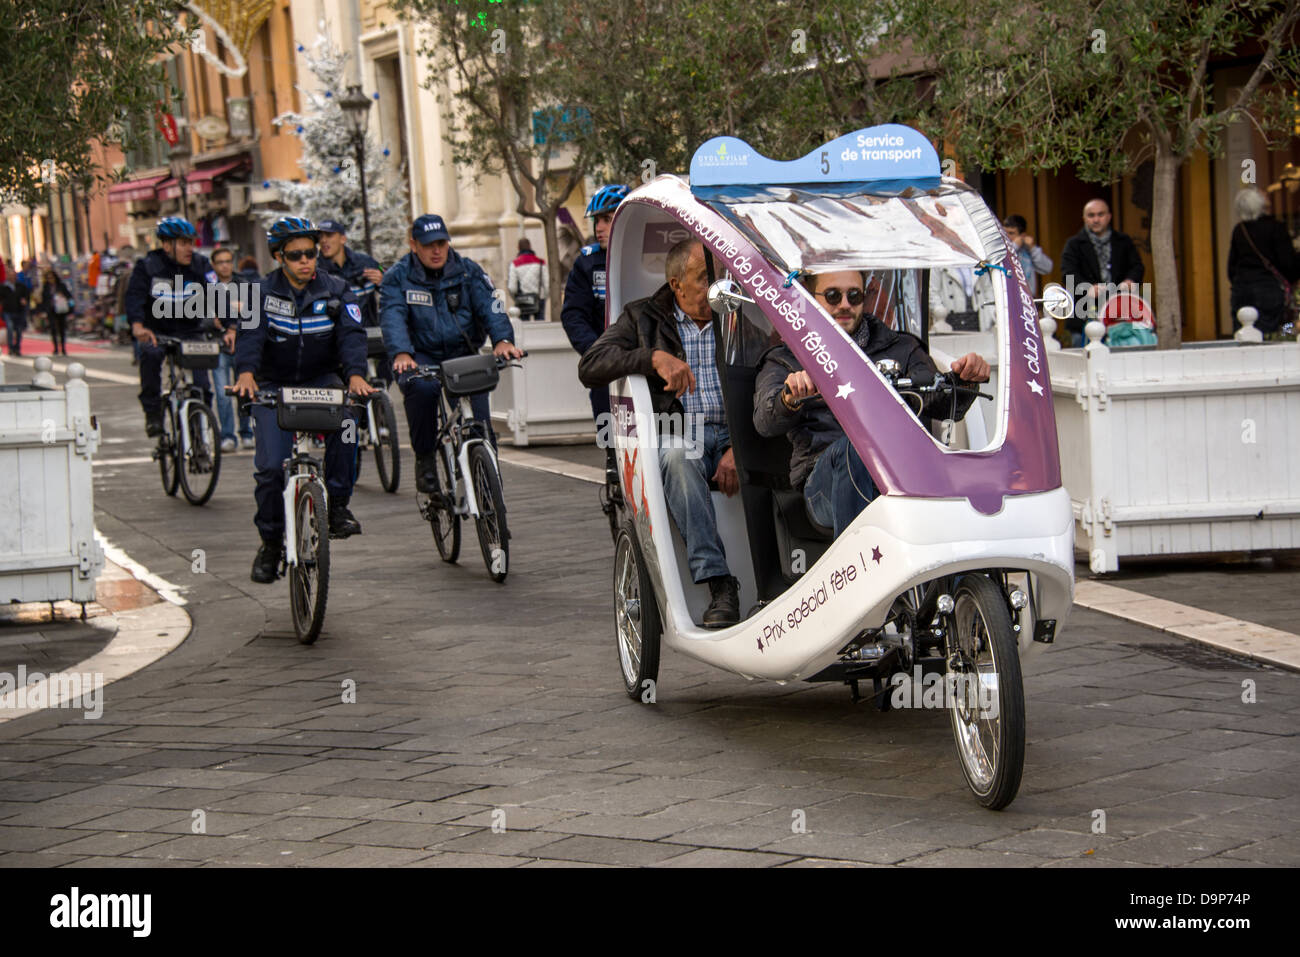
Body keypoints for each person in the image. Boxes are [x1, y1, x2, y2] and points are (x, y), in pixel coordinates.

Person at [578, 238, 743, 628]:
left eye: (719, 276)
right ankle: (720, 582)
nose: (715, 287)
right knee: (675, 455)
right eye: (704, 279)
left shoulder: (737, 313)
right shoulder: (642, 318)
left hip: (740, 432)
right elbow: (591, 366)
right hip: (685, 432)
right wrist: (652, 357)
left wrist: (741, 446)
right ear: (676, 285)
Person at [754, 269, 990, 539]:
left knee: (956, 465)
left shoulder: (901, 347)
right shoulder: (786, 358)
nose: (845, 304)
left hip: (902, 473)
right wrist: (789, 397)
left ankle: (963, 574)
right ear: (810, 297)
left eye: (854, 296)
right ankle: (861, 563)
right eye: (833, 296)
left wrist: (965, 380)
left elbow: (944, 405)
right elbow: (764, 420)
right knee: (859, 446)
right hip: (823, 485)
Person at [231, 217, 374, 583]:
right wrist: (246, 372)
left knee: (347, 425)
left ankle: (338, 506)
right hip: (272, 385)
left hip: (321, 379)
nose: (306, 261)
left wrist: (355, 374)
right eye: (295, 256)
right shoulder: (258, 295)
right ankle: (270, 542)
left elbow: (352, 335)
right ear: (279, 257)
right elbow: (249, 335)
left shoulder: (339, 290)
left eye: (310, 253)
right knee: (268, 469)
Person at [379, 214, 522, 493]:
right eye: (429, 244)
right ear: (414, 245)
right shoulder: (397, 277)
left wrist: (503, 340)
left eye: (442, 243)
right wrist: (401, 353)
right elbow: (392, 316)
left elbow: (491, 306)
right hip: (420, 354)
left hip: (462, 352)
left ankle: (488, 490)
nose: (436, 250)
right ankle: (425, 460)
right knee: (422, 390)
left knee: (479, 425)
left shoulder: (468, 271)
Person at [125, 217, 217, 437]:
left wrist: (230, 326)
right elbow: (135, 297)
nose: (189, 248)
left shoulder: (201, 264)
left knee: (202, 379)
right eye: (183, 243)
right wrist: (138, 326)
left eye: (191, 243)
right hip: (157, 332)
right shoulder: (148, 267)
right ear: (167, 245)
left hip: (191, 331)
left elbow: (218, 295)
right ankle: (153, 414)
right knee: (150, 356)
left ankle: (200, 422)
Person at [562, 185, 628, 429]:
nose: (599, 228)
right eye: (597, 221)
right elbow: (573, 315)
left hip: (647, 361)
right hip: (605, 367)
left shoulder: (646, 256)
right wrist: (596, 352)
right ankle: (612, 464)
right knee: (610, 435)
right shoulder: (586, 263)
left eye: (607, 220)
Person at [1059, 199, 1144, 347]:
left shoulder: (1123, 241)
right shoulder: (1073, 244)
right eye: (1091, 215)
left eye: (1100, 214)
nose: (1096, 219)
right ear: (1084, 218)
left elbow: (1137, 266)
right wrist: (1088, 288)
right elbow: (1068, 273)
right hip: (1085, 315)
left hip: (1119, 315)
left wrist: (1130, 280)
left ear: (1109, 216)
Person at [1228, 186, 1300, 334]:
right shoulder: (1275, 228)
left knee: (1243, 332)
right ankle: (1286, 336)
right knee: (1273, 332)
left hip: (1241, 291)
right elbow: (1288, 264)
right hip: (1269, 291)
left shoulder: (1239, 230)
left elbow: (1231, 268)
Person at [208, 247, 254, 452]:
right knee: (222, 393)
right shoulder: (208, 287)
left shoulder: (244, 284)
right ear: (214, 265)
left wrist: (235, 326)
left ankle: (246, 433)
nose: (225, 265)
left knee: (244, 390)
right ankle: (227, 436)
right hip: (218, 345)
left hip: (243, 344)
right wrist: (213, 321)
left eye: (228, 261)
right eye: (220, 262)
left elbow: (251, 313)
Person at [1002, 214, 1053, 295]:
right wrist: (1013, 247)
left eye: (1011, 233)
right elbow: (1003, 261)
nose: (1006, 236)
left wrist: (1032, 249)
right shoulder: (1000, 249)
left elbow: (1047, 268)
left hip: (1028, 299)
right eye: (1004, 232)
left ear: (1022, 235)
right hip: (1008, 297)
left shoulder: (1027, 250)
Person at [507, 238, 547, 321]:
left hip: (522, 300)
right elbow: (547, 284)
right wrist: (545, 297)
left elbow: (512, 287)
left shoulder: (514, 264)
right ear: (530, 246)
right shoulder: (540, 262)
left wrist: (515, 297)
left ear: (518, 248)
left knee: (524, 326)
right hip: (538, 298)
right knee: (540, 325)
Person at [38, 268, 75, 356]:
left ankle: (63, 347)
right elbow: (44, 300)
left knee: (62, 329)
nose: (50, 280)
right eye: (48, 278)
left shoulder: (61, 286)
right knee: (53, 329)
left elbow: (69, 297)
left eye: (52, 278)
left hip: (61, 310)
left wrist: (70, 308)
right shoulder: (46, 287)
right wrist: (42, 311)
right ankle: (55, 348)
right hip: (51, 310)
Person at [1, 273, 30, 356]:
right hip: (7, 311)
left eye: (13, 275)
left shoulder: (21, 286)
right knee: (9, 328)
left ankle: (17, 348)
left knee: (19, 330)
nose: (12, 277)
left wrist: (25, 301)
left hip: (19, 311)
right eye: (10, 275)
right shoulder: (4, 286)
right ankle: (10, 348)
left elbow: (26, 296)